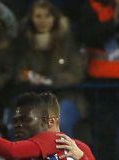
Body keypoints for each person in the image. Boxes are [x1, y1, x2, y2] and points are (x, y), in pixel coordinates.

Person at [9, 0, 85, 134]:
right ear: (31, 19)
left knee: (62, 122)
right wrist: (26, 76)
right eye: (38, 16)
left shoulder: (67, 44)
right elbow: (18, 71)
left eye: (47, 16)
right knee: (19, 123)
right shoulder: (24, 44)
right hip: (32, 97)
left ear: (55, 19)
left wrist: (50, 81)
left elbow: (75, 74)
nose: (43, 20)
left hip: (65, 97)